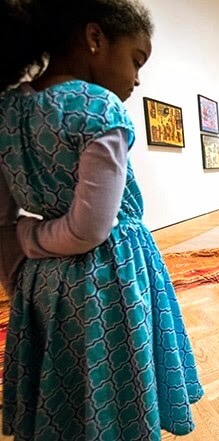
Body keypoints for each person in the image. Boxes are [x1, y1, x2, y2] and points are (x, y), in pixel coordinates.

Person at [0, 0, 203, 439]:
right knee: (112, 378)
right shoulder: (100, 109)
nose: (137, 78)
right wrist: (29, 237)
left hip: (40, 282)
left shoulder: (7, 111)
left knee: (61, 381)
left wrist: (21, 258)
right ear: (95, 39)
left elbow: (3, 221)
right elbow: (90, 229)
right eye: (136, 59)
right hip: (109, 276)